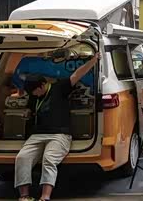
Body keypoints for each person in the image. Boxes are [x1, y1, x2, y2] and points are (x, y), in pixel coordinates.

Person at [14, 51, 100, 201]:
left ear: (43, 85)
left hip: (59, 134)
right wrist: (28, 113)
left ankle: (45, 197)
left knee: (49, 159)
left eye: (35, 91)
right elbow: (31, 108)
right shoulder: (33, 96)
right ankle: (24, 196)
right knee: (22, 158)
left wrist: (94, 60)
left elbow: (77, 75)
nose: (34, 94)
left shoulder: (59, 87)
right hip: (37, 134)